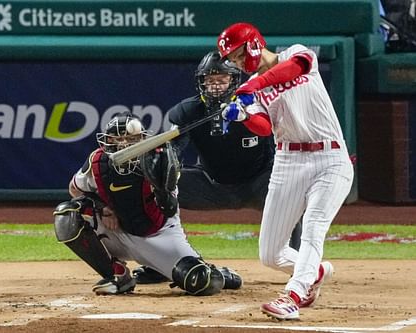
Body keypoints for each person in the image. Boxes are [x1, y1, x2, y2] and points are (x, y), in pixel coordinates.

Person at [217, 22, 354, 320]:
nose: (239, 63)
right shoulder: (252, 90)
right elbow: (264, 128)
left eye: (239, 55)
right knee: (270, 253)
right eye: (234, 60)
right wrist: (242, 114)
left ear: (253, 43)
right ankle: (313, 271)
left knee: (313, 228)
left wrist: (254, 85)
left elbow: (294, 69)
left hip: (330, 158)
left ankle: (293, 294)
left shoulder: (296, 53)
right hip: (288, 162)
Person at [133, 51, 302, 284]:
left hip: (260, 182)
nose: (215, 86)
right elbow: (172, 151)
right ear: (200, 82)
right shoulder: (187, 111)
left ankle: (299, 265)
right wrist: (162, 169)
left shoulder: (256, 106)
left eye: (221, 80)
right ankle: (161, 263)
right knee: (155, 187)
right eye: (209, 80)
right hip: (212, 185)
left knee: (290, 188)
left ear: (234, 81)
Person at [53, 111, 242, 296]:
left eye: (130, 139)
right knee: (67, 216)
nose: (123, 145)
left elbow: (168, 208)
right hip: (118, 231)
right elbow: (75, 189)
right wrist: (105, 209)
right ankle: (117, 276)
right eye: (117, 139)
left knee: (200, 281)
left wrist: (160, 186)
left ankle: (221, 275)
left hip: (158, 235)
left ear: (142, 140)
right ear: (107, 142)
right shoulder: (98, 161)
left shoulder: (160, 159)